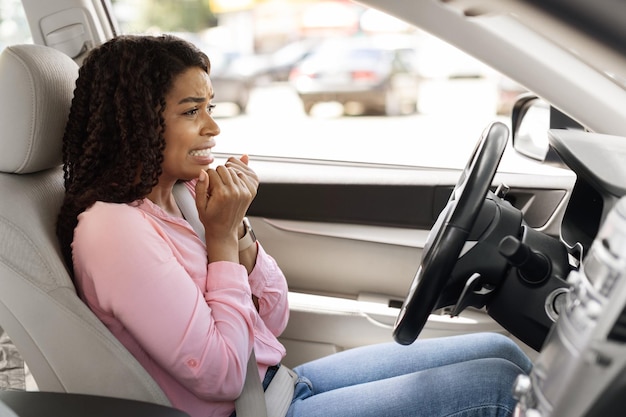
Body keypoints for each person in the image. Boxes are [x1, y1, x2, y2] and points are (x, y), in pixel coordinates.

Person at [56, 34, 532, 417]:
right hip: (249, 408)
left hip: (277, 386)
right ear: (137, 123)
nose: (213, 128)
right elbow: (222, 374)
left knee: (499, 351)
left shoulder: (181, 196)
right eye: (191, 111)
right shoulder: (113, 230)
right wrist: (220, 238)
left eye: (210, 107)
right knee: (501, 387)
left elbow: (273, 318)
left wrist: (237, 233)